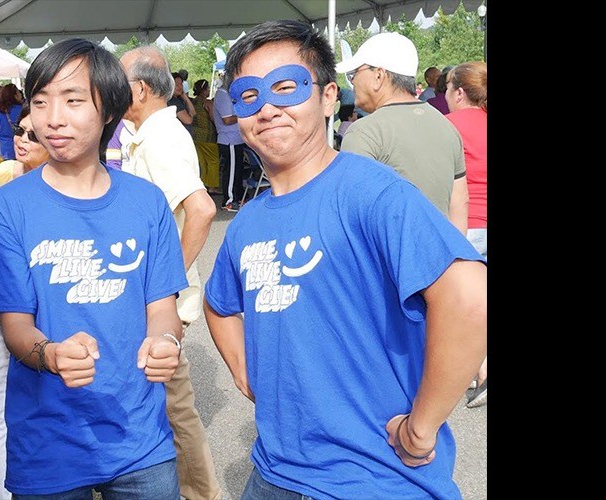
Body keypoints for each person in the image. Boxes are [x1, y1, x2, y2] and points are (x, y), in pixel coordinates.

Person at [203, 20, 487, 499]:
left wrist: (422, 427)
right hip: (272, 473)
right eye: (248, 95)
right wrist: (246, 371)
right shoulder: (247, 224)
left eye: (286, 88)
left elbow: (469, 296)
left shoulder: (370, 192)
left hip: (375, 478)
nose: (267, 108)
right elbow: (218, 303)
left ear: (329, 96)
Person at [0, 37, 187, 499]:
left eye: (73, 100)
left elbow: (162, 307)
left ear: (109, 110)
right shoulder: (7, 207)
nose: (53, 118)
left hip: (141, 439)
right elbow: (16, 326)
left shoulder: (146, 202)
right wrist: (52, 354)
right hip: (48, 442)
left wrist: (166, 341)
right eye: (39, 102)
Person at [119, 45, 221, 500]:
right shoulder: (147, 131)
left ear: (139, 89)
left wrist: (165, 282)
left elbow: (200, 209)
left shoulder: (160, 137)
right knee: (166, 404)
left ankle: (202, 494)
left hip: (161, 302)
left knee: (175, 407)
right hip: (153, 297)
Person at [338, 33, 468, 234]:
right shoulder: (447, 127)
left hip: (386, 261)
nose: (353, 82)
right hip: (442, 257)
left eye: (355, 73)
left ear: (378, 76)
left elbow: (351, 213)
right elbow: (459, 205)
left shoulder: (364, 132)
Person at [445, 61, 488, 409]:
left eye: (447, 88)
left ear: (459, 92)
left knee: (463, 307)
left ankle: (480, 369)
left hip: (465, 224)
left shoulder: (446, 127)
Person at [0, 103, 50, 187]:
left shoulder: (63, 186)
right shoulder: (3, 171)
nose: (23, 139)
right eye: (20, 130)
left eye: (34, 136)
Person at [213, 78, 244, 212]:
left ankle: (237, 198)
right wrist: (243, 113)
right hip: (229, 140)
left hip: (236, 139)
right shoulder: (222, 95)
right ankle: (229, 201)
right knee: (230, 172)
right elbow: (227, 119)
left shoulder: (228, 94)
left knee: (237, 172)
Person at [191, 78, 221, 193]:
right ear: (203, 91)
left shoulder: (193, 102)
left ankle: (203, 184)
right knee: (213, 161)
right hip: (208, 136)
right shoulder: (207, 102)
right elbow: (214, 118)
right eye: (207, 88)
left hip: (196, 136)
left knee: (202, 161)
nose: (208, 90)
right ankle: (213, 186)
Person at [0, 83, 24, 160]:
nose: (20, 94)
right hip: (21, 146)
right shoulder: (23, 109)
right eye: (18, 92)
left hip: (5, 149)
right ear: (14, 95)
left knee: (7, 170)